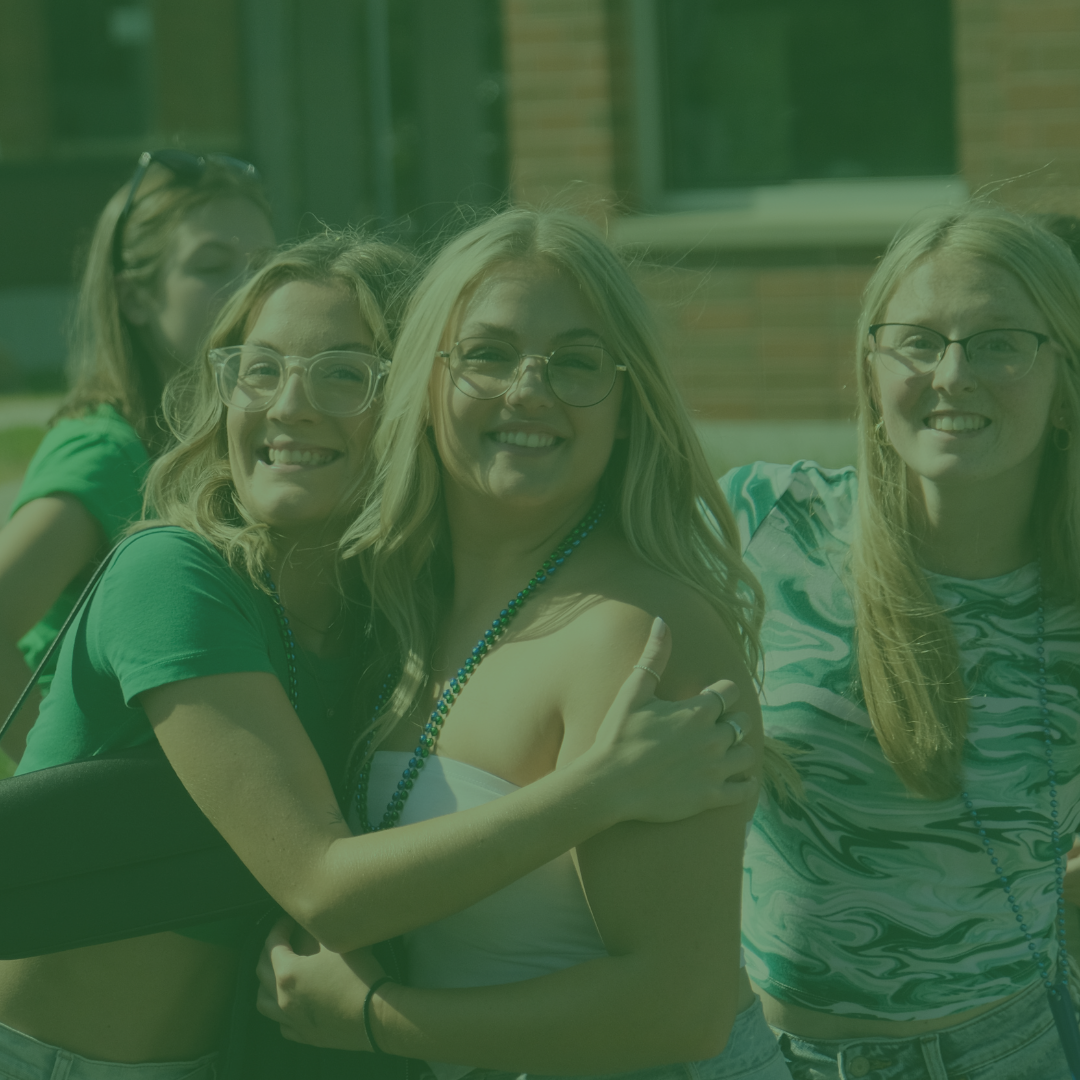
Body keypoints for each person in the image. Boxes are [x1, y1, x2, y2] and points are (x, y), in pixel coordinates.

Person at [0, 228, 758, 1080]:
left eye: (343, 373)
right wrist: (596, 790)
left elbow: (680, 995)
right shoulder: (173, 574)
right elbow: (324, 887)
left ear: (408, 398)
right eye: (260, 369)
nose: (290, 405)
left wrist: (376, 1021)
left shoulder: (392, 619)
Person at [256, 208, 793, 1080]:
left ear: (626, 406)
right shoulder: (402, 609)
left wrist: (374, 1019)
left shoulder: (640, 638)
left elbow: (681, 1011)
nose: (529, 390)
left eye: (576, 362)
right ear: (425, 384)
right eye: (489, 354)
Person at [716, 204, 1080, 1079]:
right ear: (871, 372)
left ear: (1065, 381)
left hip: (1016, 1052)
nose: (952, 374)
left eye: (1000, 343)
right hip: (774, 1057)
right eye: (918, 341)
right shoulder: (763, 521)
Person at [0, 150, 274, 764]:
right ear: (135, 298)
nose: (250, 291)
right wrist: (63, 776)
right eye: (212, 266)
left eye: (265, 266)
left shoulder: (248, 439)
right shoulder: (105, 451)